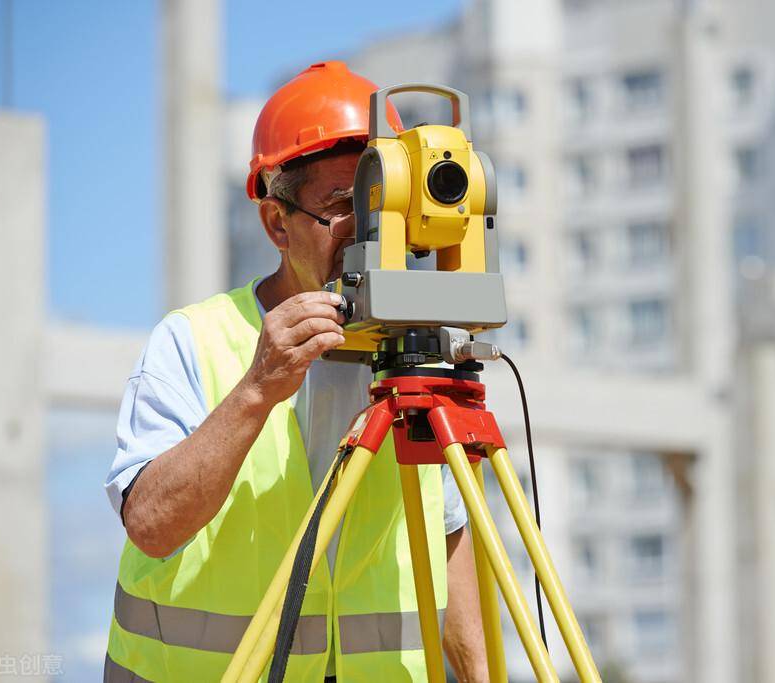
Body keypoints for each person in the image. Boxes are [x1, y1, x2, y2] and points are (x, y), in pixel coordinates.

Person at [102, 61, 488, 682]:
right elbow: (150, 525)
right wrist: (258, 389)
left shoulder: (415, 352)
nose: (364, 226)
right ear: (277, 222)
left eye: (379, 202)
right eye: (342, 205)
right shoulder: (194, 341)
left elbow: (449, 543)